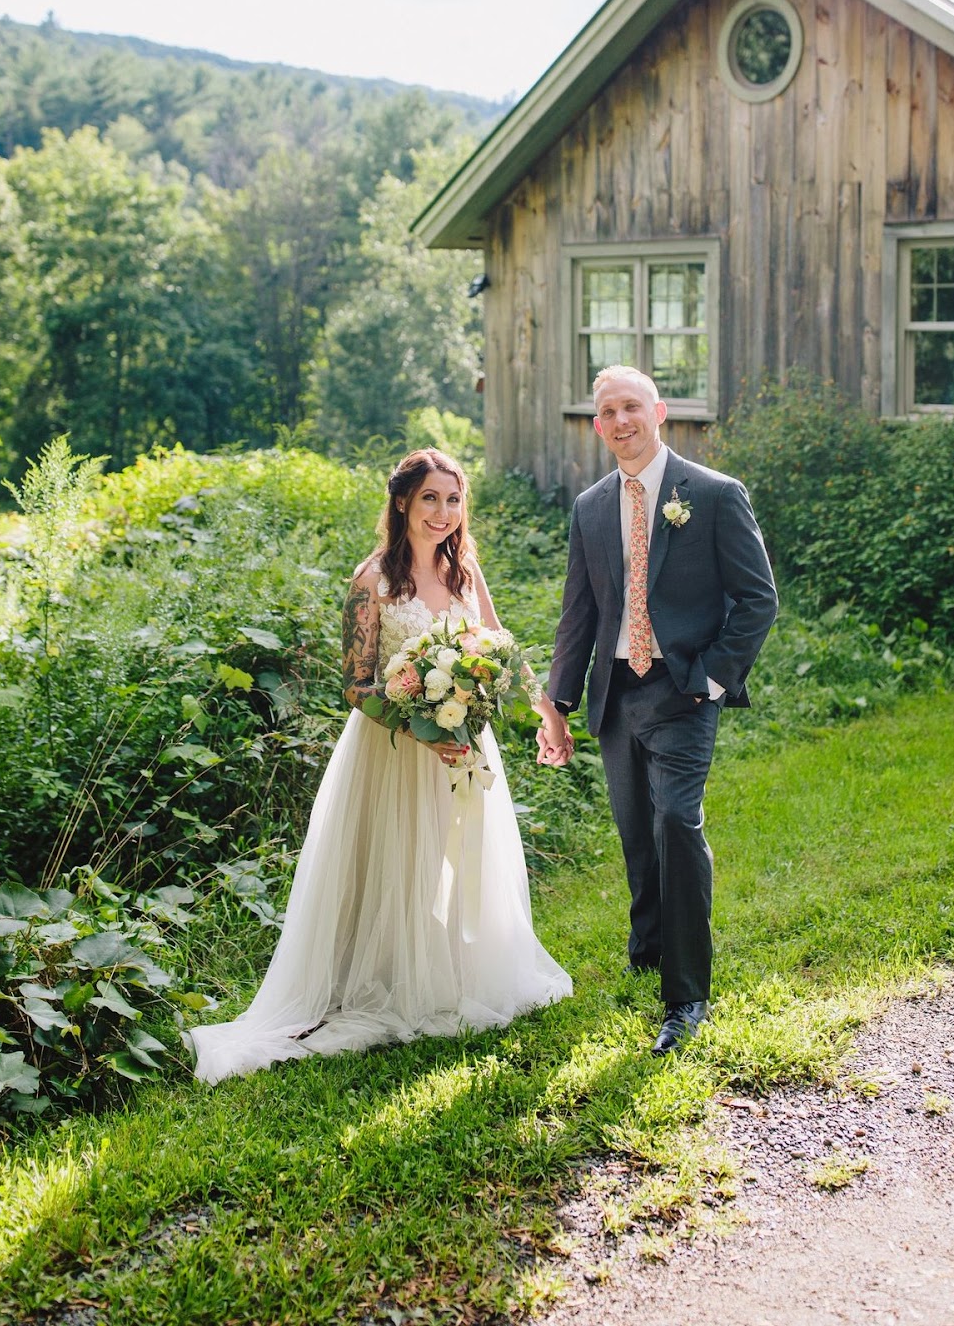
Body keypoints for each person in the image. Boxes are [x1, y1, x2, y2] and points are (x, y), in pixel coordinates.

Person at [186, 448, 572, 1084]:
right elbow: (356, 685)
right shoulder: (373, 581)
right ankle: (387, 982)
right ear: (401, 503)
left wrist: (545, 709)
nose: (443, 513)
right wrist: (421, 722)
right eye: (430, 499)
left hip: (463, 748)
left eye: (453, 500)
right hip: (395, 752)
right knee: (399, 864)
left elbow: (501, 648)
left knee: (460, 863)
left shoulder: (466, 571)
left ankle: (456, 975)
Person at [536, 367, 776, 1057]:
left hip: (682, 690)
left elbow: (759, 599)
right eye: (607, 411)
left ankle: (686, 995)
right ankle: (646, 947)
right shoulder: (589, 508)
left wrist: (711, 678)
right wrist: (559, 702)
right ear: (596, 425)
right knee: (636, 830)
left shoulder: (713, 494)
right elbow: (578, 615)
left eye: (631, 407)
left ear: (659, 412)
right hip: (616, 693)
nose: (620, 421)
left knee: (676, 821)